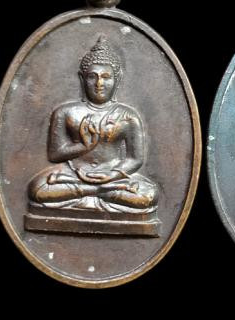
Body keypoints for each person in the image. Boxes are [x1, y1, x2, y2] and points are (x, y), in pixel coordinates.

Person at [28, 35, 158, 211]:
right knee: (37, 189)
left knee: (148, 195)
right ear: (82, 78)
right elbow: (54, 155)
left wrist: (113, 175)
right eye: (92, 77)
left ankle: (88, 192)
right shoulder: (65, 112)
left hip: (113, 175)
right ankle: (98, 192)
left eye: (106, 77)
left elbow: (135, 159)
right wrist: (84, 146)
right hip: (73, 173)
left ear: (117, 79)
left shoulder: (127, 115)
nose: (99, 83)